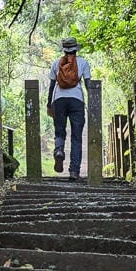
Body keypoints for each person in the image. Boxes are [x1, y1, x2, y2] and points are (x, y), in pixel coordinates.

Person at [46, 37, 91, 180]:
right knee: (76, 137)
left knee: (59, 131)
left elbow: (52, 86)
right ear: (76, 49)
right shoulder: (83, 63)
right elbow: (89, 85)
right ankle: (74, 171)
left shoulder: (56, 64)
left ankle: (59, 151)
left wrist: (49, 104)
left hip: (59, 100)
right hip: (77, 100)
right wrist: (92, 103)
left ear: (64, 49)